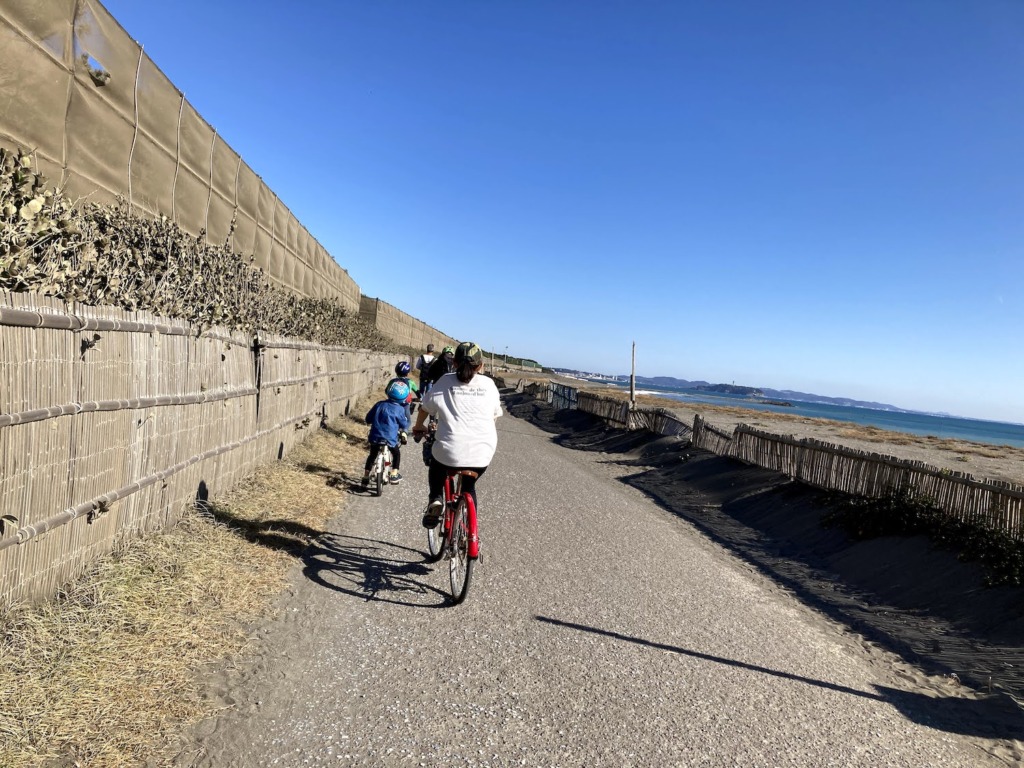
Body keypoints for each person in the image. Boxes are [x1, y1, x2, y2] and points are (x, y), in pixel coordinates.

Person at [412, 342, 501, 527]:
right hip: (482, 453)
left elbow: (425, 409)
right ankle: (470, 532)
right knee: (469, 486)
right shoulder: (489, 384)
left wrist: (419, 426)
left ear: (454, 363)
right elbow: (493, 417)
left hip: (449, 452)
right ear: (481, 365)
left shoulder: (445, 381)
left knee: (437, 468)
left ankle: (436, 499)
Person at [362, 379, 410, 486]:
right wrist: (403, 431)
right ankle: (394, 473)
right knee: (396, 453)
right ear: (404, 397)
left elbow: (368, 419)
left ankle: (365, 476)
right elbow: (404, 424)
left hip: (375, 437)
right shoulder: (400, 410)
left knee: (372, 455)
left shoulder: (379, 405)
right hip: (390, 439)